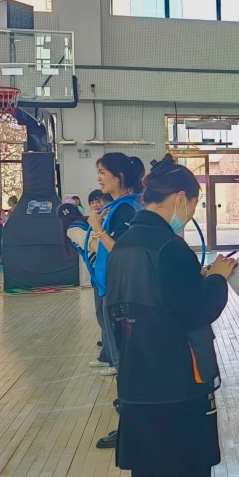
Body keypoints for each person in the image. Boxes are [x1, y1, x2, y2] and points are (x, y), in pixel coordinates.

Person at [106, 156, 237, 477]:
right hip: (176, 389)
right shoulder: (168, 247)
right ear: (180, 198)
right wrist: (217, 280)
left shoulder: (125, 244)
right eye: (194, 204)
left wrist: (197, 281)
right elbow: (196, 310)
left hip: (137, 384)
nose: (191, 212)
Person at [87, 153, 145, 377]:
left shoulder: (126, 209)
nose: (99, 178)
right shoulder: (116, 207)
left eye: (102, 173)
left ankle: (122, 369)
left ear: (119, 176)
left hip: (119, 281)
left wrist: (98, 229)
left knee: (116, 326)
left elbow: (121, 250)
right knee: (107, 322)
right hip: (108, 277)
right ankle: (114, 361)